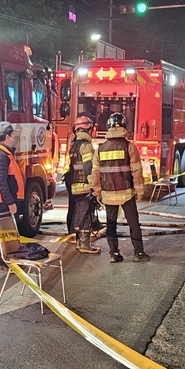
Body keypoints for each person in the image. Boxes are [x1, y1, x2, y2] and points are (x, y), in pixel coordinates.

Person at [91, 113, 150, 263]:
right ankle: (139, 253)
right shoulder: (130, 147)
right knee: (133, 223)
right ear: (125, 126)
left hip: (108, 195)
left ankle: (114, 254)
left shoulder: (100, 149)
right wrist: (139, 191)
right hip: (127, 194)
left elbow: (95, 173)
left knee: (111, 224)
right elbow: (137, 171)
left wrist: (97, 191)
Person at [65, 114, 100, 254]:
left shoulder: (73, 146)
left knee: (79, 212)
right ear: (88, 129)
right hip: (85, 186)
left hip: (75, 186)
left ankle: (80, 243)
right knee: (86, 214)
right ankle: (85, 245)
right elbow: (88, 168)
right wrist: (94, 187)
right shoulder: (86, 146)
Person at [0, 121, 24, 268]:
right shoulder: (1, 156)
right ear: (7, 136)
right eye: (12, 134)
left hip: (9, 199)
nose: (14, 137)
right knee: (5, 233)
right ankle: (1, 262)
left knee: (9, 233)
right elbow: (1, 182)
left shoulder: (6, 154)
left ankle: (9, 260)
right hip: (6, 201)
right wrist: (10, 202)